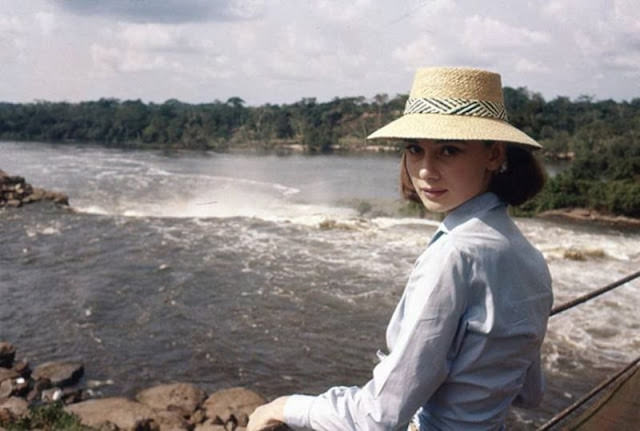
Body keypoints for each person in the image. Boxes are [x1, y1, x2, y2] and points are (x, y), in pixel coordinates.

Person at [247, 67, 553, 431]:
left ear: (493, 155)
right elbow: (529, 393)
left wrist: (285, 406)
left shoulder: (454, 255)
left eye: (449, 150)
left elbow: (379, 416)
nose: (425, 170)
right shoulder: (527, 255)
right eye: (414, 149)